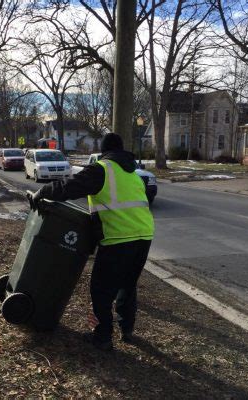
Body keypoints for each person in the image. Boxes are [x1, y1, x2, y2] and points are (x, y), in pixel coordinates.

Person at [28, 133, 154, 350]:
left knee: (100, 289)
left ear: (104, 151)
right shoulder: (133, 173)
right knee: (127, 284)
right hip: (145, 236)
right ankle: (127, 330)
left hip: (118, 239)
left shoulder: (102, 169)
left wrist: (42, 191)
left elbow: (69, 186)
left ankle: (102, 337)